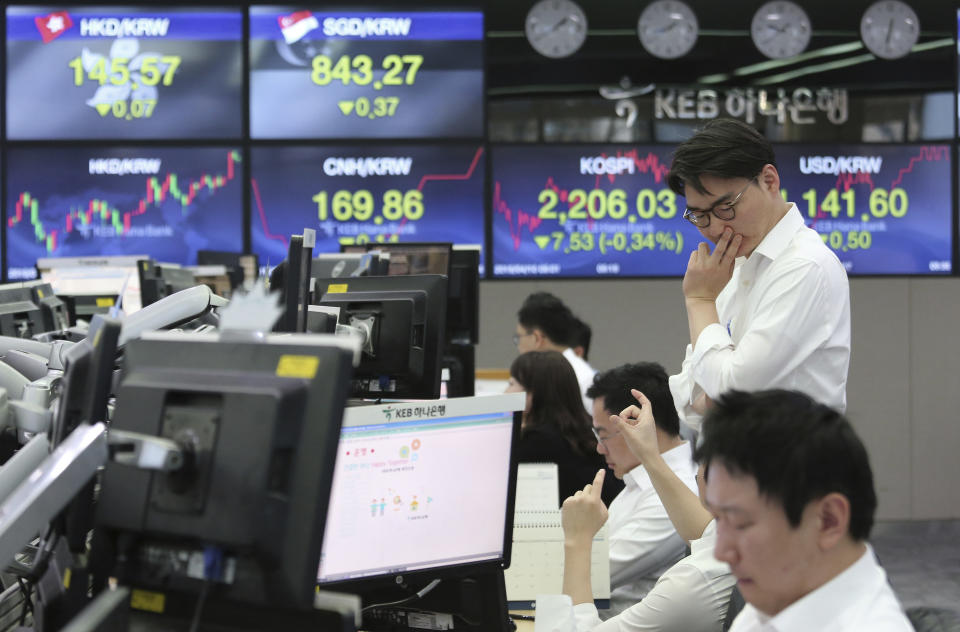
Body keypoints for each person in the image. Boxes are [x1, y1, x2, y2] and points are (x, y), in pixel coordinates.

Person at [666, 118, 850, 429]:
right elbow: (687, 397)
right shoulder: (733, 267)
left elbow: (729, 393)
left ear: (768, 180)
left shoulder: (804, 266)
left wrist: (699, 300)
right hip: (731, 467)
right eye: (699, 215)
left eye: (726, 207)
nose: (714, 228)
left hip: (789, 471)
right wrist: (713, 395)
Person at [697, 389, 912, 632]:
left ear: (828, 520)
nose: (721, 552)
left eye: (741, 523)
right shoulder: (781, 600)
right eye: (717, 519)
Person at [552, 388, 736, 631]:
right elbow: (704, 530)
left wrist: (578, 540)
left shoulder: (696, 580)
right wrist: (649, 453)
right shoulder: (741, 541)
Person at [585, 363, 697, 614]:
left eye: (603, 436)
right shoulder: (638, 483)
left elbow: (592, 576)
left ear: (639, 423)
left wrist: (576, 534)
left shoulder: (673, 497)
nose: (600, 449)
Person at [507, 351, 622, 506]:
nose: (506, 392)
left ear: (531, 393)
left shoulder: (537, 441)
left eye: (512, 383)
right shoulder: (586, 428)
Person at [514, 292, 596, 413]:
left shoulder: (579, 380)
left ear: (536, 338)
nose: (518, 347)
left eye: (519, 338)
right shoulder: (581, 375)